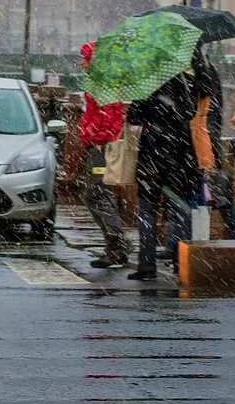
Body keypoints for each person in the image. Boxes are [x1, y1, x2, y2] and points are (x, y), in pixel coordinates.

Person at [125, 71, 200, 281]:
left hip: (153, 154)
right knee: (180, 211)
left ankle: (147, 265)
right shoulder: (188, 82)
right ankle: (182, 263)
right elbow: (191, 113)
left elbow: (133, 117)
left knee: (147, 210)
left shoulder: (147, 83)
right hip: (180, 154)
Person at [77, 41, 131, 269]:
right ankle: (113, 246)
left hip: (101, 148)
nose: (82, 62)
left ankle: (118, 244)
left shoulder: (103, 84)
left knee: (98, 193)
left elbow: (108, 119)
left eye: (86, 57)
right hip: (97, 146)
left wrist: (89, 133)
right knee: (95, 194)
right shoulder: (99, 82)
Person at [191, 43, 235, 240]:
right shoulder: (207, 69)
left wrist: (208, 144)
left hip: (202, 144)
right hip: (205, 142)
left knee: (216, 196)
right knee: (216, 194)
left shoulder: (201, 73)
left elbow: (206, 115)